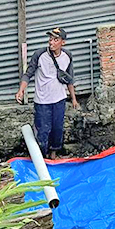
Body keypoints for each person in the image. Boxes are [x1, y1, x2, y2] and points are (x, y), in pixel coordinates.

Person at [15, 27, 80, 157]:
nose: (51, 42)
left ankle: (53, 153)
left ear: (63, 42)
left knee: (57, 128)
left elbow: (69, 78)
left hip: (59, 100)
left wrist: (73, 99)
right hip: (42, 101)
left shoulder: (67, 56)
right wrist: (21, 90)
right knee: (43, 131)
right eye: (50, 39)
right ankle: (42, 156)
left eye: (55, 40)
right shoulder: (39, 55)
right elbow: (28, 74)